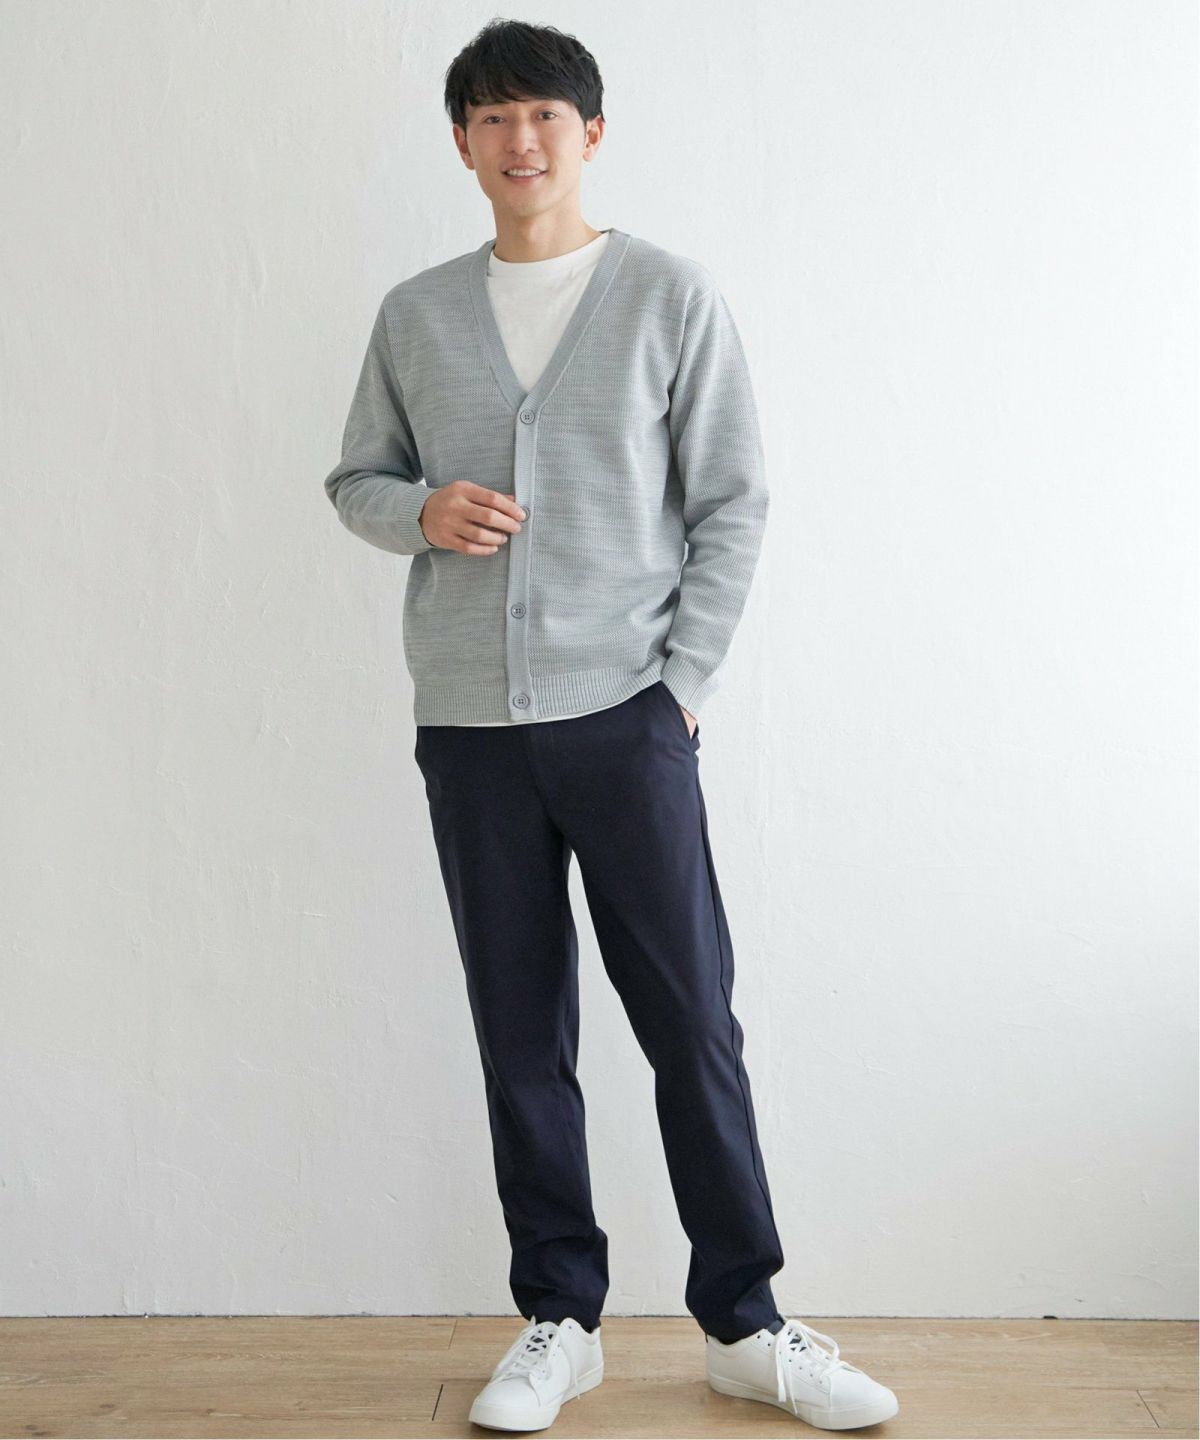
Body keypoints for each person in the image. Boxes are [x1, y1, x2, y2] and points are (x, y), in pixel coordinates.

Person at [323, 17, 899, 1434]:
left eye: (544, 116)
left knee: (691, 1023)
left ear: (590, 133)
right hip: (470, 728)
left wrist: (679, 688)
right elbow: (356, 480)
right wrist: (420, 512)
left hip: (629, 718)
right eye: (492, 118)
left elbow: (733, 503)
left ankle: (747, 1323)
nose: (519, 141)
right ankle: (560, 1318)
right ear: (462, 144)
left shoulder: (666, 296)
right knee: (519, 1031)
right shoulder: (416, 314)